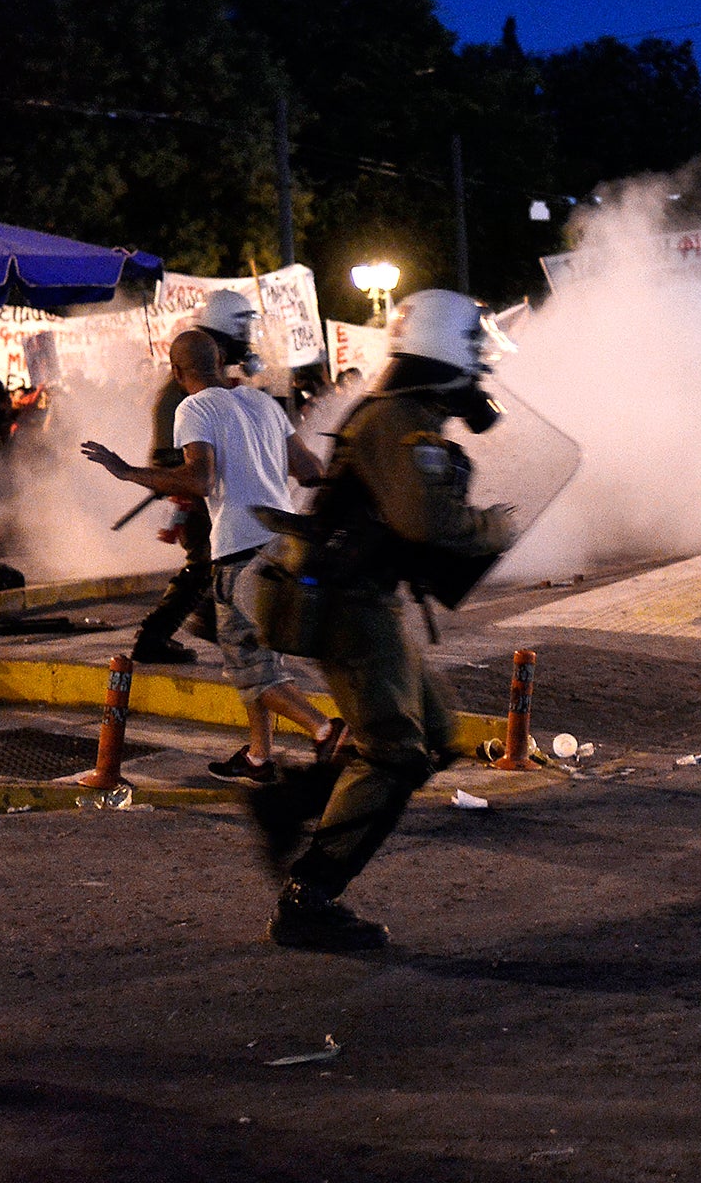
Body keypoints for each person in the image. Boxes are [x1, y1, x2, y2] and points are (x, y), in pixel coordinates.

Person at [262, 289, 516, 951]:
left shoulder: (410, 414)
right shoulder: (395, 418)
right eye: (472, 352)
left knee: (436, 732)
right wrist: (492, 527)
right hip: (346, 609)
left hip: (366, 602)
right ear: (443, 349)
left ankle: (303, 797)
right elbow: (423, 519)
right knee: (398, 752)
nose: (480, 368)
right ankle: (307, 900)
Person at [84, 330, 338, 782]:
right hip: (282, 544)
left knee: (251, 669)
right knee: (258, 662)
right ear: (221, 360)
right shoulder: (264, 403)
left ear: (178, 371)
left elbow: (200, 479)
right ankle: (259, 757)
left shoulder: (193, 408)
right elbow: (310, 470)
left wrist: (127, 473)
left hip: (239, 551)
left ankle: (323, 729)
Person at [128, 289, 262, 664]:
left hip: (214, 491)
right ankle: (154, 638)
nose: (247, 337)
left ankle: (208, 623)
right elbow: (170, 453)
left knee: (214, 561)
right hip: (198, 493)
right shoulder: (184, 390)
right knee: (205, 561)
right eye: (242, 327)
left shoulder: (214, 380)